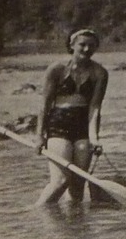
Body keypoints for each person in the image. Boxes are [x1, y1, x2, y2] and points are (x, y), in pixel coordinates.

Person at [35, 28, 108, 205]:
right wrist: (39, 135)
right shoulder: (56, 70)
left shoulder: (100, 73)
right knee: (60, 182)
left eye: (91, 46)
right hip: (58, 126)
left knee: (77, 187)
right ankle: (36, 216)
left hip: (83, 127)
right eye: (82, 44)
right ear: (72, 45)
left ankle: (73, 230)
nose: (86, 49)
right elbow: (44, 104)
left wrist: (94, 138)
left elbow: (95, 108)